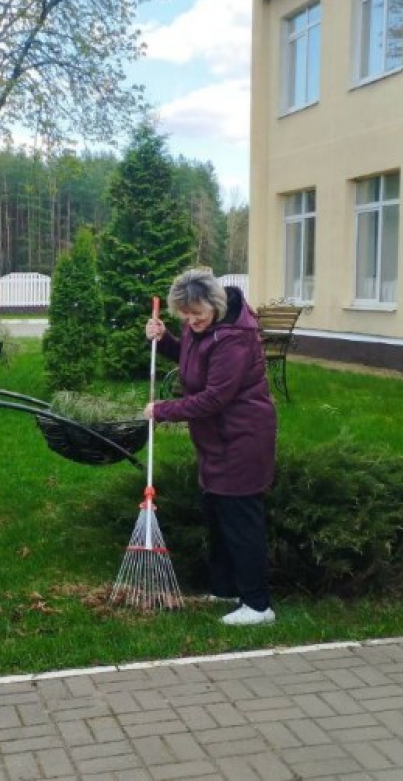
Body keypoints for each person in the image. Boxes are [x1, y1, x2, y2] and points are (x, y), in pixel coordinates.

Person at [144, 268, 278, 626]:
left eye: (197, 314)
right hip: (216, 439)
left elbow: (215, 396)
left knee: (240, 520)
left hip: (243, 438)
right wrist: (166, 339)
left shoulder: (236, 338)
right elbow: (193, 360)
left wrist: (163, 411)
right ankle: (226, 589)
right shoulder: (202, 326)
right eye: (184, 315)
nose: (192, 321)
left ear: (215, 305)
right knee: (218, 515)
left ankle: (258, 605)